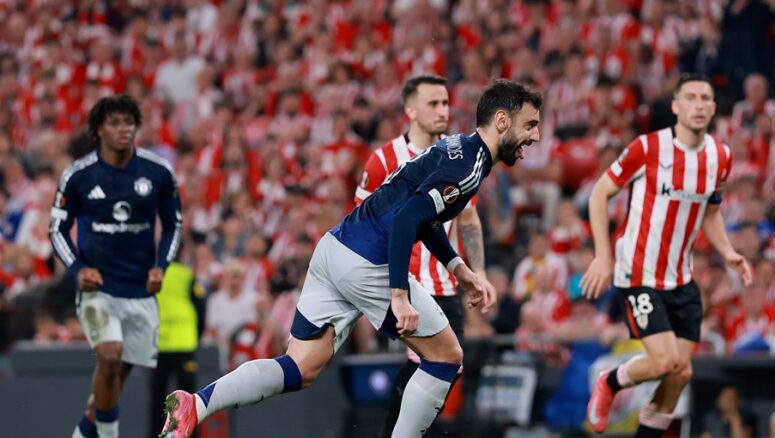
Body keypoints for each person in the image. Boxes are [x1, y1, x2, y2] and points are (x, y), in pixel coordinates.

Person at [160, 79, 542, 438]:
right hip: (368, 261)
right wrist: (398, 293)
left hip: (335, 249)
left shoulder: (455, 146)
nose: (535, 136)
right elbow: (409, 219)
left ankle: (197, 404)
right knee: (446, 357)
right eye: (530, 125)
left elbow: (422, 217)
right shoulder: (469, 166)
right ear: (502, 120)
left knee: (299, 366)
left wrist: (458, 268)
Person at [581, 74, 753, 437]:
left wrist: (728, 252)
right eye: (690, 97)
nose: (698, 104)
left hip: (681, 278)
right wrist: (602, 255)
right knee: (666, 361)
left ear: (713, 107)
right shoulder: (648, 148)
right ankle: (611, 380)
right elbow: (599, 194)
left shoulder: (720, 157)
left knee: (681, 373)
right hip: (639, 274)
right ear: (676, 106)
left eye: (705, 98)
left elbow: (710, 211)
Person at [353, 75, 490, 438]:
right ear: (410, 110)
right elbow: (362, 221)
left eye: (446, 103)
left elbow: (469, 218)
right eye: (433, 104)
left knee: (449, 368)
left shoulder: (458, 154)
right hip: (405, 283)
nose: (443, 111)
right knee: (430, 363)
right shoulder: (383, 160)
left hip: (444, 280)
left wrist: (480, 272)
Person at [50, 94, 183, 438]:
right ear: (98, 129)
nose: (124, 129)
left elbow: (173, 225)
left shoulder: (158, 172)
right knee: (109, 356)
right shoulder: (78, 175)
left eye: (129, 122)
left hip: (140, 291)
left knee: (110, 385)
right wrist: (79, 269)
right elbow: (57, 229)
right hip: (98, 290)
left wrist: (161, 267)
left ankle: (84, 433)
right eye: (115, 122)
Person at [148, 258, 205, 437]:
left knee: (157, 401)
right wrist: (197, 335)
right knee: (189, 400)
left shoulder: (150, 275)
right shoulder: (186, 275)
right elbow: (201, 306)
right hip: (184, 345)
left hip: (158, 345)